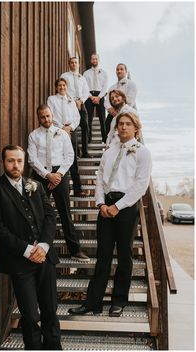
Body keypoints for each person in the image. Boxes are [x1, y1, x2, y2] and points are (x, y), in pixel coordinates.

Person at [68, 112, 151, 317]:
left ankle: (118, 301)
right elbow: (99, 181)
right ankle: (93, 303)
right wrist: (100, 203)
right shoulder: (109, 152)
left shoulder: (142, 152)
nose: (122, 127)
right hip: (106, 205)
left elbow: (141, 185)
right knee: (103, 256)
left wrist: (118, 206)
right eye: (120, 124)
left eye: (127, 124)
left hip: (126, 206)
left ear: (135, 128)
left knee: (124, 255)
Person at [0, 145, 62, 350]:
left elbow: (50, 216)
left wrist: (44, 245)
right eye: (11, 160)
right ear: (3, 163)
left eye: (19, 160)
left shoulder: (35, 185)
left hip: (45, 257)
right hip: (20, 261)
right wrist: (27, 250)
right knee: (30, 315)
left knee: (50, 310)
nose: (15, 165)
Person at [27, 104, 90, 262]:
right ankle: (39, 249)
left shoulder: (62, 134)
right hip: (41, 174)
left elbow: (69, 156)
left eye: (48, 116)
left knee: (65, 212)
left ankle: (75, 250)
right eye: (42, 116)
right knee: (37, 213)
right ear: (38, 118)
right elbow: (32, 159)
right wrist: (48, 175)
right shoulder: (34, 135)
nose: (46, 119)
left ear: (52, 115)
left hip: (60, 173)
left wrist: (58, 175)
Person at [47, 78, 86, 197]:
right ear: (56, 87)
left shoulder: (71, 100)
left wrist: (70, 128)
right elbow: (51, 115)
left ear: (66, 87)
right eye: (59, 85)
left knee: (72, 158)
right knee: (60, 157)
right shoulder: (52, 99)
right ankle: (62, 187)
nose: (62, 87)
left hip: (71, 131)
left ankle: (77, 188)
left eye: (64, 85)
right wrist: (61, 128)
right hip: (57, 131)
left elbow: (77, 117)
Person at [61, 57, 91, 158]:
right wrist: (73, 101)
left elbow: (86, 91)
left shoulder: (82, 78)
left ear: (78, 64)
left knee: (85, 126)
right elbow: (64, 90)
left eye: (75, 63)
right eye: (72, 63)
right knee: (72, 127)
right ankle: (76, 152)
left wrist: (80, 101)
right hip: (69, 103)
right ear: (69, 64)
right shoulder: (64, 76)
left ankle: (85, 152)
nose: (74, 64)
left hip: (81, 103)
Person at [83, 53, 108, 143]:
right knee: (88, 119)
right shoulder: (86, 73)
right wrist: (91, 96)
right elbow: (84, 87)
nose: (94, 61)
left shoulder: (104, 73)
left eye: (96, 59)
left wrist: (99, 97)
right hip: (89, 96)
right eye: (93, 59)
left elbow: (105, 87)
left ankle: (105, 139)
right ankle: (88, 139)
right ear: (91, 61)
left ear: (98, 60)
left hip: (100, 96)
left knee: (102, 119)